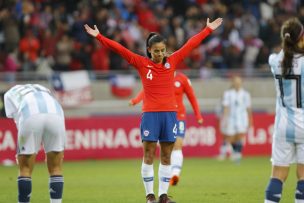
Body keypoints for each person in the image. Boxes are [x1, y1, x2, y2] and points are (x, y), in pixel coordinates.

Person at [84, 17, 222, 203]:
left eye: (163, 50)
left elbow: (191, 44)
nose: (160, 54)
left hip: (170, 115)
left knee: (166, 155)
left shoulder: (172, 61)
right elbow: (120, 49)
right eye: (156, 51)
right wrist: (99, 36)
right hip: (150, 115)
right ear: (149, 50)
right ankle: (150, 196)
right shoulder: (142, 63)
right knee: (148, 154)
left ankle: (163, 196)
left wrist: (207, 30)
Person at [129, 71, 203, 187]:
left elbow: (192, 97)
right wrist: (136, 100)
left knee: (178, 144)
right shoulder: (159, 76)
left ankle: (175, 174)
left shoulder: (182, 79)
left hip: (179, 117)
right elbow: (146, 90)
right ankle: (168, 176)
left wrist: (198, 115)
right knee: (165, 148)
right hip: (163, 116)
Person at [264, 18, 304, 203]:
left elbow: (281, 57)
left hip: (282, 125)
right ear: (300, 39)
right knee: (303, 176)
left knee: (278, 175)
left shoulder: (274, 60)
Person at [4, 84, 65, 203]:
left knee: (25, 169)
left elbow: (18, 120)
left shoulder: (9, 94)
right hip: (56, 113)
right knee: (56, 168)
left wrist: (21, 150)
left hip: (30, 114)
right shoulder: (43, 88)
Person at [217, 76, 253, 162]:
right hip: (231, 118)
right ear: (233, 83)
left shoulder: (245, 94)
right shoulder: (228, 93)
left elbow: (248, 108)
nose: (237, 83)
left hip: (242, 118)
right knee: (229, 136)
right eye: (236, 82)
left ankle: (237, 153)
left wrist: (250, 119)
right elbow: (226, 107)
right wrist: (225, 119)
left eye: (239, 82)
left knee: (239, 136)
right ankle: (224, 153)